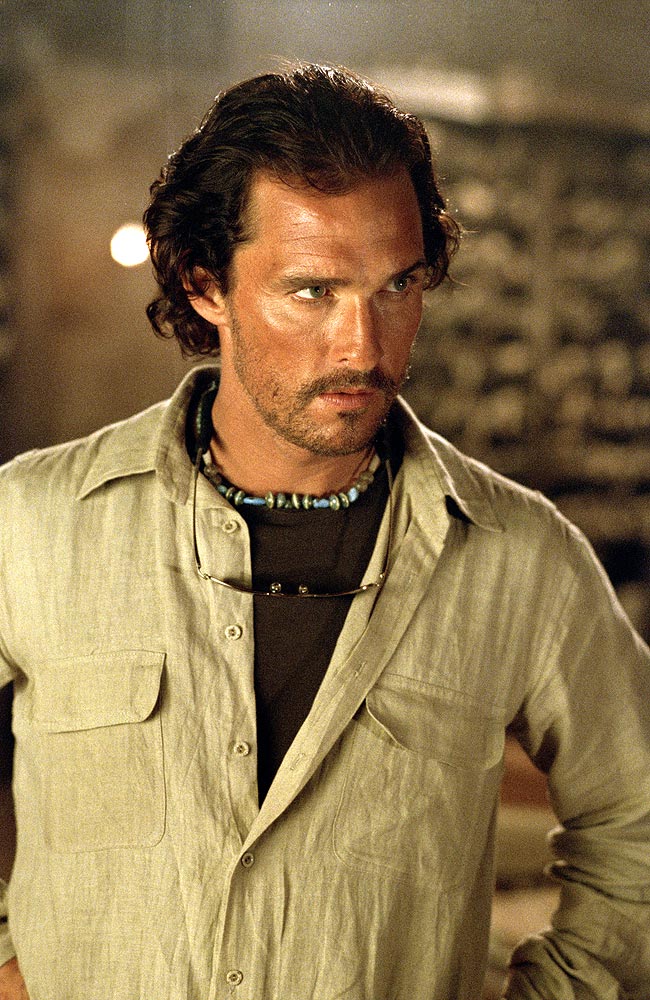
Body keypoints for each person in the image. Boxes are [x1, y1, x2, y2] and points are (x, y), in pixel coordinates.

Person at [0, 62, 649, 1000]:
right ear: (205, 284)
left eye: (397, 286)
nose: (363, 346)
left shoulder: (521, 562)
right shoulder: (33, 523)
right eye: (312, 292)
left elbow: (637, 820)